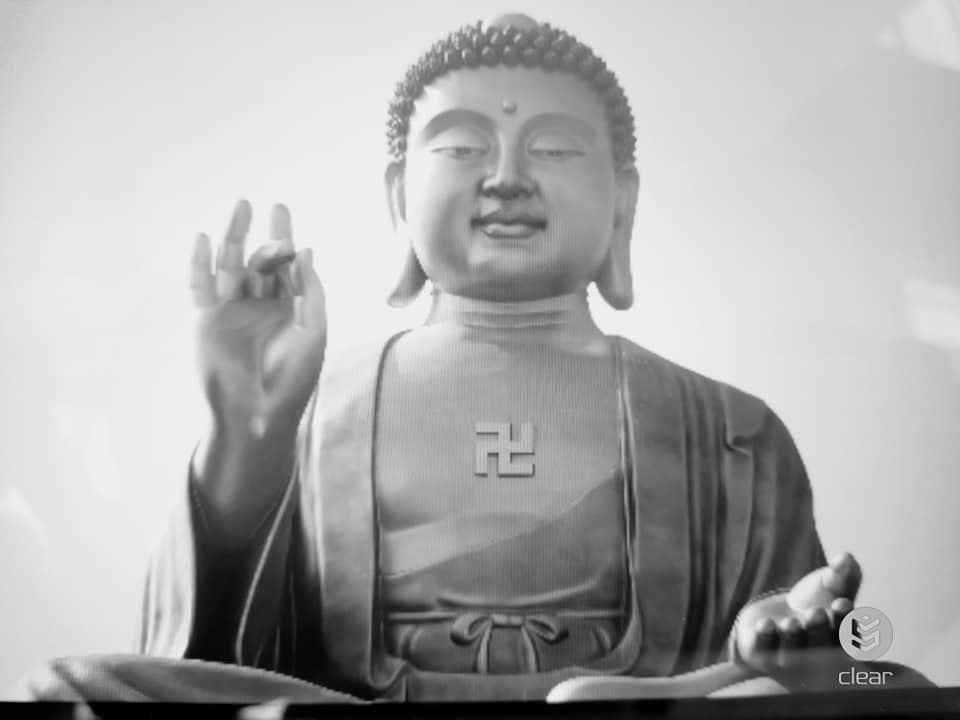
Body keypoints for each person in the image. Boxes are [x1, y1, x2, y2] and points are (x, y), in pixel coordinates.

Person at [23, 13, 926, 704]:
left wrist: (786, 648)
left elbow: (851, 662)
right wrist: (246, 437)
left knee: (889, 690)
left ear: (622, 203)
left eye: (556, 148)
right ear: (397, 197)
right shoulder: (318, 413)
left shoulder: (732, 433)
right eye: (461, 146)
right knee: (66, 692)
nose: (506, 178)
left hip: (647, 712)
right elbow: (204, 652)